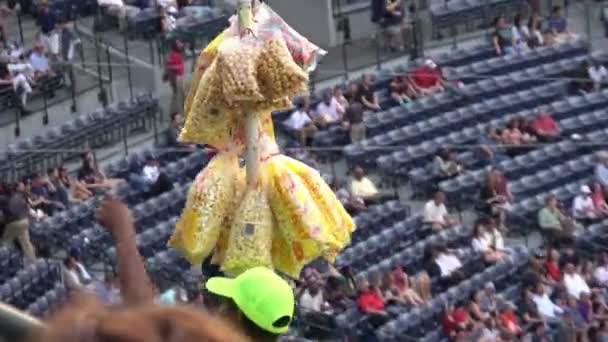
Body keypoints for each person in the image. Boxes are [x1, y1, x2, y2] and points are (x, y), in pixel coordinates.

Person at [2, 181, 36, 263]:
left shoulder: (2, 198)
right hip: (25, 221)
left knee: (5, 241)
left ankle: (11, 262)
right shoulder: (17, 195)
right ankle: (33, 262)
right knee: (26, 243)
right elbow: (27, 207)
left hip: (15, 223)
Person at [165, 40, 185, 115]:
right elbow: (169, 66)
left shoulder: (175, 55)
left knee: (178, 94)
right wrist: (179, 67)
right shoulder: (173, 55)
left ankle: (175, 112)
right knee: (177, 96)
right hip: (176, 78)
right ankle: (176, 113)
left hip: (178, 77)